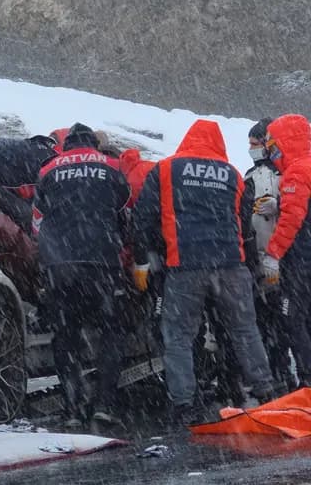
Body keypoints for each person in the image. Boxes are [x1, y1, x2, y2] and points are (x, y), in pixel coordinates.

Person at [132, 119, 276, 424]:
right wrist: (250, 269)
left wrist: (142, 260)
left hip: (185, 266)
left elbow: (143, 217)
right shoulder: (233, 175)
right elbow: (245, 228)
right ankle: (266, 392)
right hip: (230, 265)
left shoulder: (166, 169)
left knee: (179, 337)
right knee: (244, 331)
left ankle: (184, 404)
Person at [33, 123, 131, 426]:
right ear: (93, 144)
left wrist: (51, 252)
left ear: (67, 145)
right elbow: (125, 211)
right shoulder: (112, 166)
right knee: (111, 332)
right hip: (101, 262)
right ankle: (104, 403)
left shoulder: (48, 169)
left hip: (60, 265)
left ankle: (73, 407)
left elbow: (36, 220)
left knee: (66, 335)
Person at [245, 118, 295, 390]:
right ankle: (279, 374)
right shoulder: (251, 176)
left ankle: (282, 375)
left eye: (255, 143)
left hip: (281, 257)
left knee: (283, 322)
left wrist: (279, 206)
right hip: (266, 258)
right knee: (270, 322)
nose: (251, 148)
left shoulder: (283, 173)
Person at [262, 114, 311, 387]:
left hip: (302, 262)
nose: (273, 155)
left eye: (274, 148)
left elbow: (294, 218)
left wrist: (273, 253)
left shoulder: (297, 171)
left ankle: (307, 382)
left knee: (292, 318)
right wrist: (281, 203)